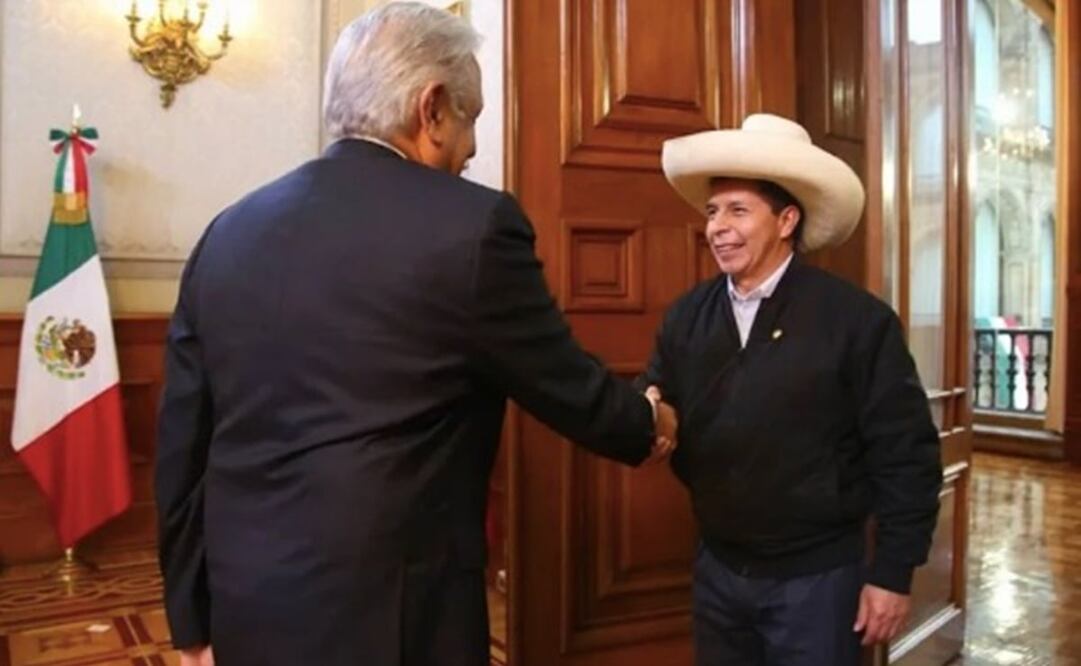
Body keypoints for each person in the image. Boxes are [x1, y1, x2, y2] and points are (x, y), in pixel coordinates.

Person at [155, 4, 675, 666]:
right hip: (392, 619)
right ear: (430, 108)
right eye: (471, 117)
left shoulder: (228, 229)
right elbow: (564, 385)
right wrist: (647, 420)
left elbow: (183, 443)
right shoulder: (472, 226)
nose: (474, 147)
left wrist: (190, 621)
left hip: (246, 600)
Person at [641, 113, 942, 665]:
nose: (716, 227)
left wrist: (893, 573)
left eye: (737, 210)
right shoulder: (687, 316)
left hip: (820, 582)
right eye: (712, 212)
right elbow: (657, 393)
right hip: (718, 572)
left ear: (785, 220)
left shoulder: (857, 321)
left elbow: (907, 454)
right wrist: (650, 411)